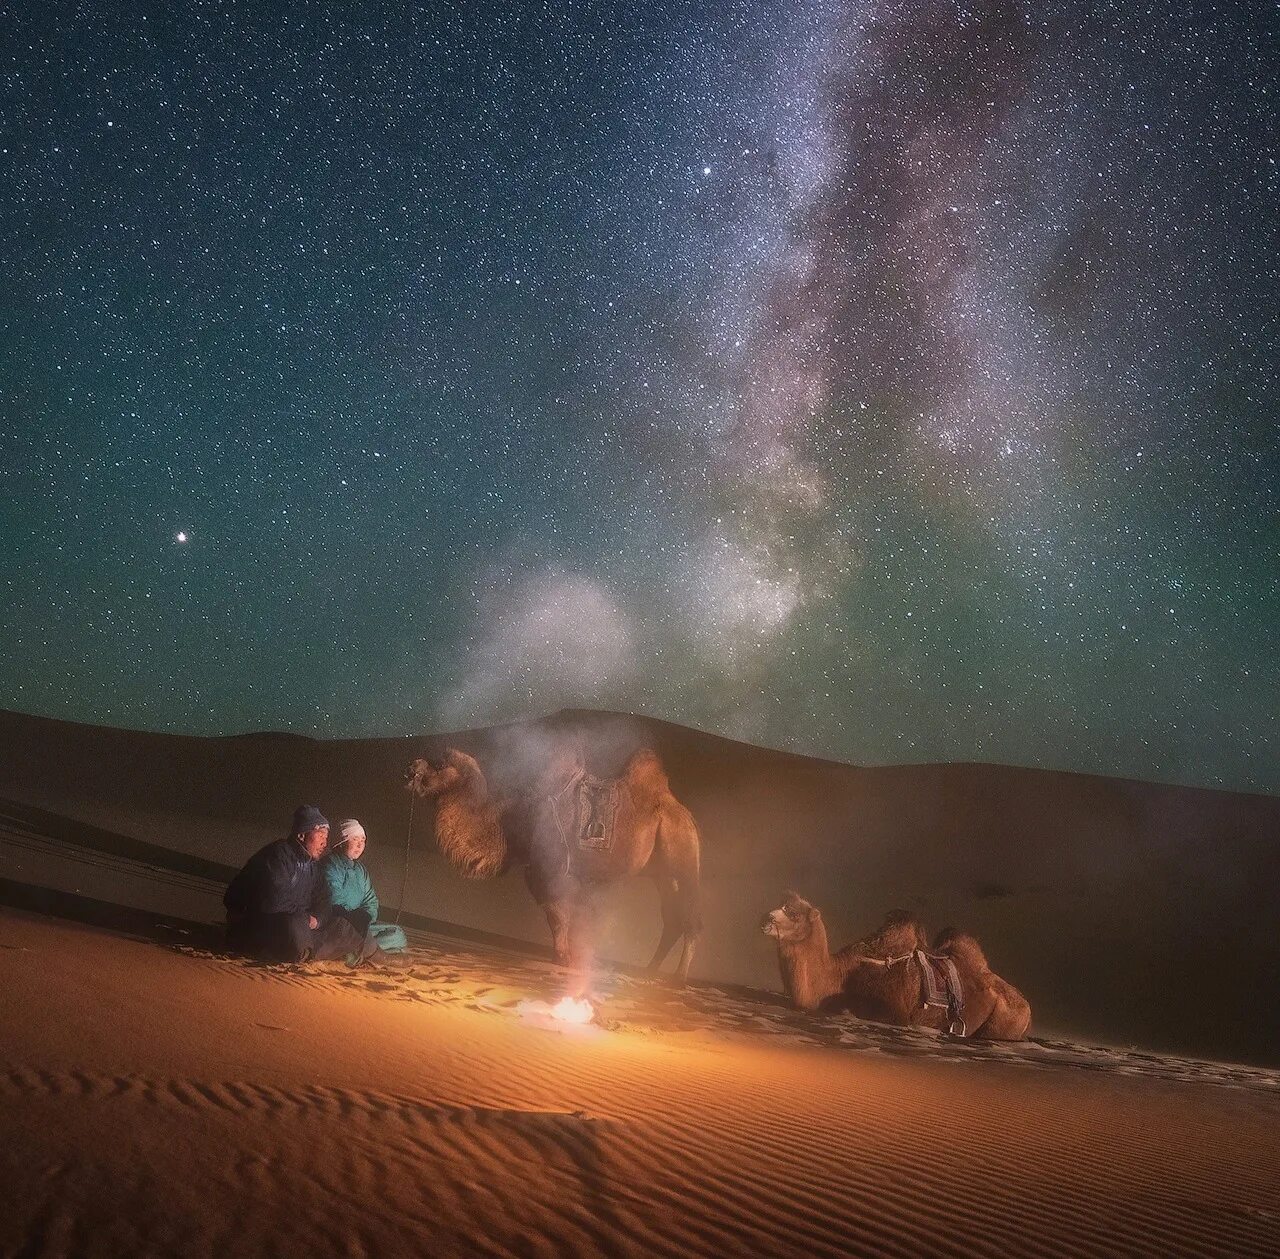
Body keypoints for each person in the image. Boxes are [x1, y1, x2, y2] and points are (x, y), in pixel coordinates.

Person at [223, 805, 381, 964]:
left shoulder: (312, 866)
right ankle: (305, 952)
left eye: (326, 838)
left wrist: (317, 919)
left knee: (348, 923)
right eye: (320, 836)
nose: (324, 843)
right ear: (301, 835)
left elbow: (325, 900)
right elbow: (274, 901)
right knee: (294, 924)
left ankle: (307, 952)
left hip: (300, 926)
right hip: (261, 922)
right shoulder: (278, 855)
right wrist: (306, 919)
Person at [321, 818, 409, 955]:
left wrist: (366, 918)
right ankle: (362, 950)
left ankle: (358, 949)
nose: (360, 845)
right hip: (339, 924)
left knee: (396, 933)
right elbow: (334, 899)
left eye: (363, 840)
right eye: (355, 839)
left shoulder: (360, 870)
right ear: (341, 841)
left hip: (361, 925)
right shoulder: (330, 865)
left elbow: (371, 900)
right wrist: (355, 918)